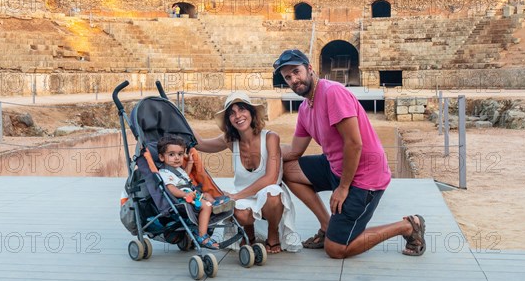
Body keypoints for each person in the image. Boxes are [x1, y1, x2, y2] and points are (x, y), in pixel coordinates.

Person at [274, 49, 426, 259]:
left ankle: (407, 226)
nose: (293, 79)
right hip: (336, 166)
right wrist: (261, 149)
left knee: (336, 249)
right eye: (287, 77)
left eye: (296, 72)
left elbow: (354, 144)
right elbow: (295, 151)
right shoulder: (304, 108)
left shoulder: (332, 93)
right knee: (288, 169)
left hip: (365, 176)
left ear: (310, 69)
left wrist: (343, 188)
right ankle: (327, 226)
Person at [193, 92, 301, 254]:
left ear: (251, 113)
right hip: (244, 195)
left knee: (272, 194)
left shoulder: (271, 138)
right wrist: (178, 118)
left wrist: (236, 196)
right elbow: (200, 144)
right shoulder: (230, 140)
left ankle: (273, 234)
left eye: (242, 109)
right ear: (229, 120)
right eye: (232, 113)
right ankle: (249, 235)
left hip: (267, 194)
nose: (238, 116)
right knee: (240, 214)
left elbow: (271, 178)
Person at [157, 135, 219, 249]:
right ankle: (202, 236)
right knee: (205, 205)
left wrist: (190, 162)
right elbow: (171, 188)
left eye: (180, 154)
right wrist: (185, 195)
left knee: (207, 195)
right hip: (183, 200)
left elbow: (184, 177)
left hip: (193, 195)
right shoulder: (164, 172)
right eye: (171, 154)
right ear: (161, 157)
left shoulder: (178, 170)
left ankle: (216, 205)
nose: (177, 158)